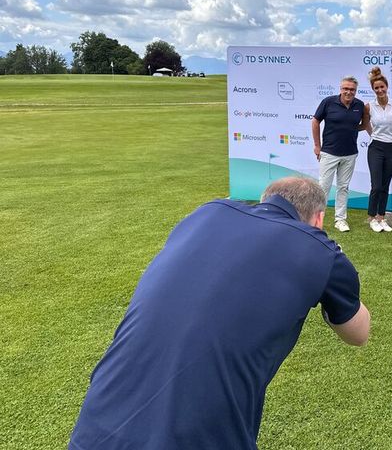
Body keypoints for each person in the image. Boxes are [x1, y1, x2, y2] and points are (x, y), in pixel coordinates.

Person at [69, 177, 370, 450]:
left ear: (265, 200)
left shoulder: (206, 213)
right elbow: (358, 333)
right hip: (199, 437)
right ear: (318, 219)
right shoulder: (320, 249)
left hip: (97, 425)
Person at [312, 76, 366, 232]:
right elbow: (315, 121)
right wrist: (317, 145)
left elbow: (362, 125)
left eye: (352, 89)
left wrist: (350, 128)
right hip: (329, 153)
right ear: (340, 89)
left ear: (356, 91)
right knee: (323, 187)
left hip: (350, 154)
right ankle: (316, 221)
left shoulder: (360, 105)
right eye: (345, 89)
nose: (348, 92)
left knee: (343, 187)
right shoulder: (328, 102)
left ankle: (341, 220)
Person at [362, 67, 392, 232]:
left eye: (382, 87)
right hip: (376, 148)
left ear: (387, 87)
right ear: (373, 89)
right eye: (376, 88)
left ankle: (381, 217)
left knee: (385, 185)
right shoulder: (368, 106)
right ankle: (372, 217)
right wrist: (373, 135)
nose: (379, 90)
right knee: (376, 185)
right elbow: (366, 124)